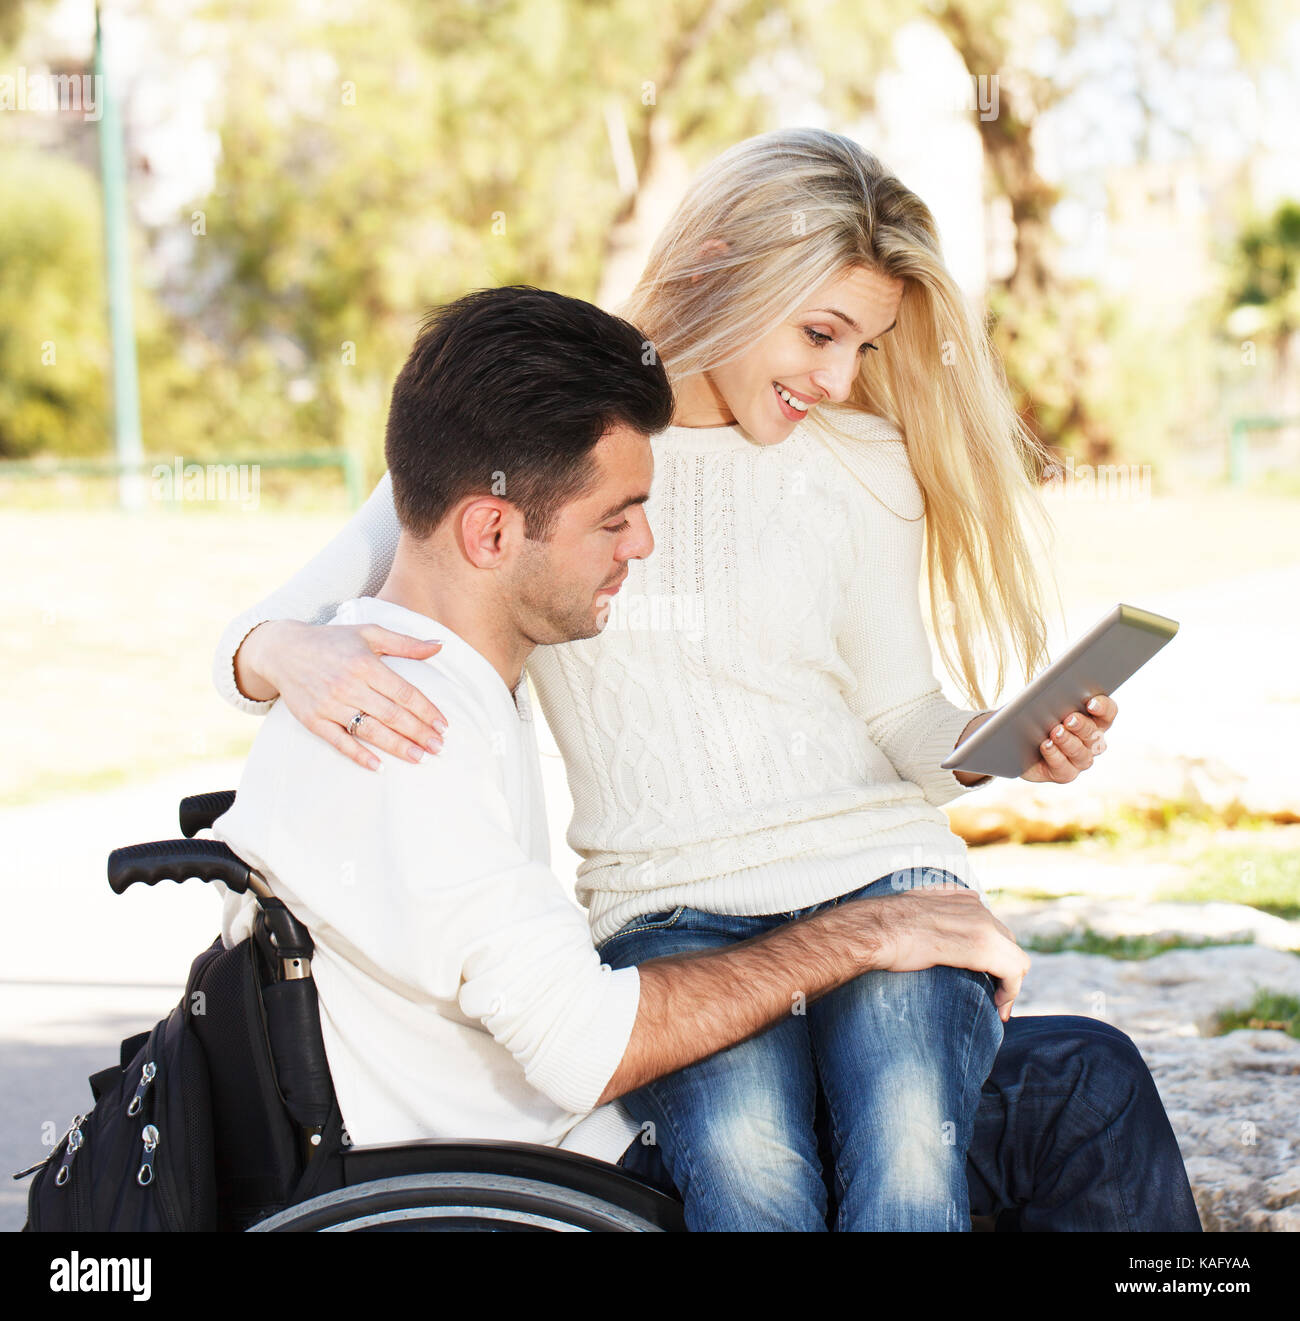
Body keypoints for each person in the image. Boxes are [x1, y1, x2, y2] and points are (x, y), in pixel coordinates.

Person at [212, 129, 1201, 1232]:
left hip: (876, 868)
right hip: (666, 909)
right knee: (747, 1175)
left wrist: (1000, 740)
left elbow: (894, 716)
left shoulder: (860, 463)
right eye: (820, 331)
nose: (836, 378)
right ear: (725, 265)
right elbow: (320, 599)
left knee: (908, 1158)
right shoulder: (556, 434)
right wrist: (281, 651)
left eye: (865, 346)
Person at [210, 283, 1030, 1184]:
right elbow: (584, 1047)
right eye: (616, 518)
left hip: (545, 1125)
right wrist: (874, 932)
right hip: (560, 1169)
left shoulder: (417, 675)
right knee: (1048, 1107)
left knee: (1073, 1084)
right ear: (490, 530)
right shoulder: (414, 730)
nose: (643, 545)